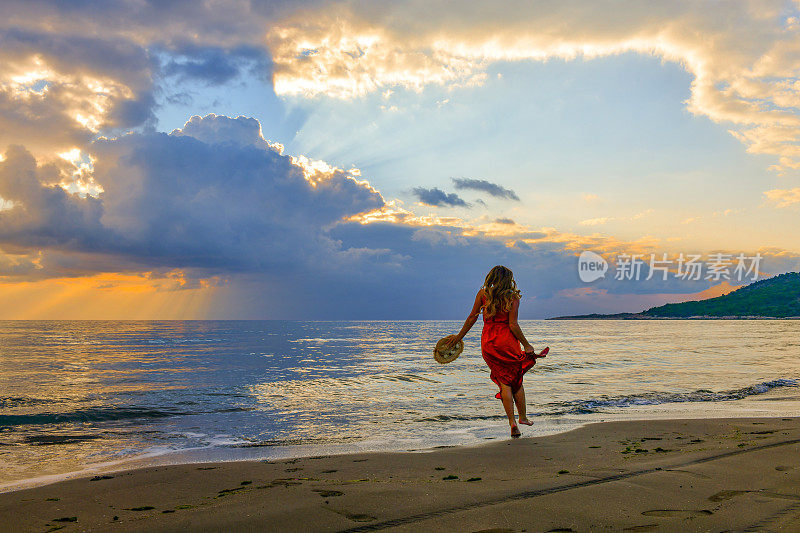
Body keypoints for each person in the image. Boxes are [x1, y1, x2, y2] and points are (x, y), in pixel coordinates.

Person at [446, 265, 548, 438]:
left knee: (503, 381)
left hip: (488, 343)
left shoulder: (483, 294)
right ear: (509, 279)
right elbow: (513, 325)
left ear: (491, 277)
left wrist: (459, 337)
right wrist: (527, 345)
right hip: (507, 342)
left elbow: (472, 317)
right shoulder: (513, 297)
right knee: (515, 379)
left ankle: (512, 422)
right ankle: (522, 417)